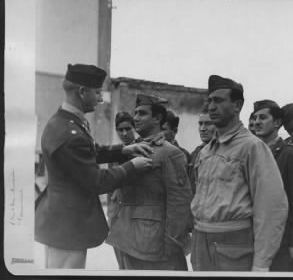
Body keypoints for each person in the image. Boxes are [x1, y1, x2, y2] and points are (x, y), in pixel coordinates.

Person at [35, 64, 153, 269]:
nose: (100, 98)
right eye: (97, 92)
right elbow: (97, 181)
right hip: (69, 225)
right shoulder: (69, 133)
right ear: (82, 92)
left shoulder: (64, 121)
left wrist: (123, 150)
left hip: (61, 218)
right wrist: (132, 167)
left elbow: (88, 152)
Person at [191, 75, 288, 272]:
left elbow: (271, 209)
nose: (211, 107)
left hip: (233, 246)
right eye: (209, 101)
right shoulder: (206, 151)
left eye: (218, 100)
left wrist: (261, 263)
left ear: (237, 105)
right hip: (201, 242)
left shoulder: (252, 147)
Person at [106, 94, 193, 270]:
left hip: (152, 244)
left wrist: (172, 244)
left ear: (157, 119)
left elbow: (179, 203)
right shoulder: (133, 149)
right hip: (125, 238)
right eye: (135, 113)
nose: (136, 118)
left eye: (142, 113)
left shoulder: (171, 153)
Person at [253, 99, 293, 271]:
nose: (256, 122)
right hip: (255, 237)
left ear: (277, 123)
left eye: (263, 117)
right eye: (255, 118)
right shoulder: (251, 154)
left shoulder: (291, 155)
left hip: (283, 241)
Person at [107, 111, 137, 268]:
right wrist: (110, 214)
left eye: (128, 128)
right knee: (120, 263)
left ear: (134, 128)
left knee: (132, 262)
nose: (124, 133)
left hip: (133, 216)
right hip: (115, 214)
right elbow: (109, 186)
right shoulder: (114, 153)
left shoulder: (141, 150)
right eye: (120, 130)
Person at [188, 103, 216, 194]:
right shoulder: (196, 153)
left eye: (208, 124)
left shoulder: (228, 152)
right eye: (200, 124)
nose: (202, 129)